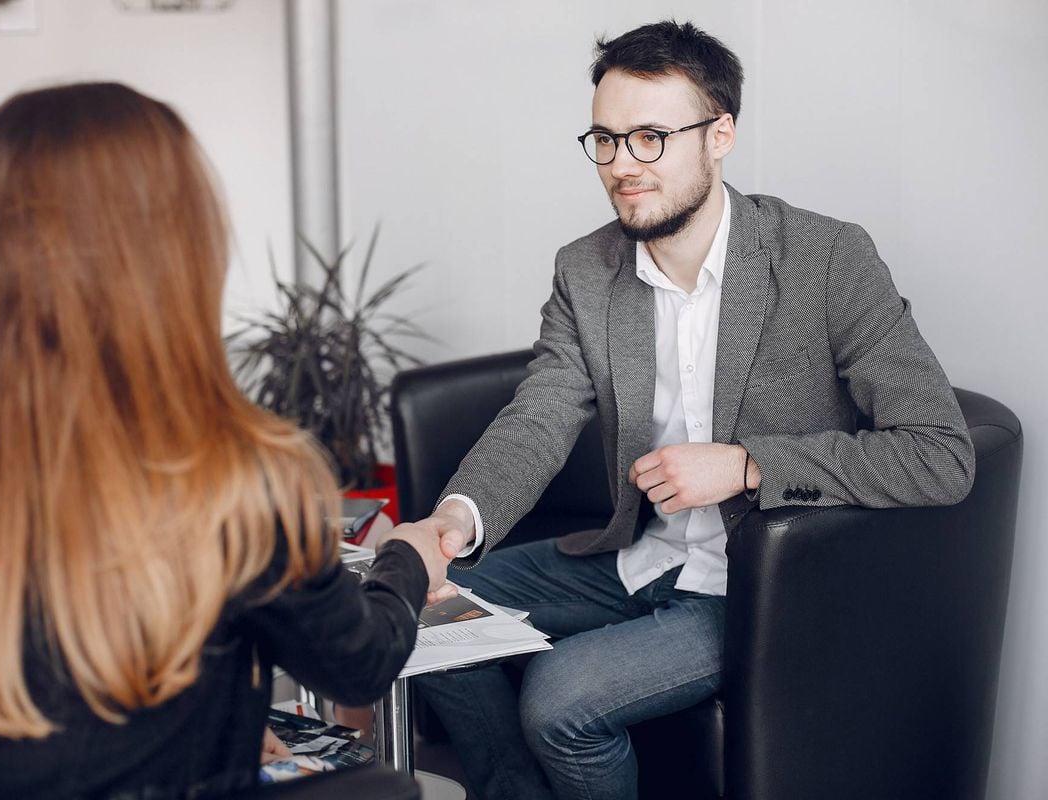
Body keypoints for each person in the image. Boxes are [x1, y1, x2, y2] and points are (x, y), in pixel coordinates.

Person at [411, 20, 976, 800]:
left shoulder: (827, 260)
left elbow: (941, 453)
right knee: (425, 617)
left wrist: (748, 464)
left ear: (721, 135)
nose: (622, 166)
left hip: (754, 581)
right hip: (633, 553)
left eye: (650, 138)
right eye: (605, 140)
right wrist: (453, 524)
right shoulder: (586, 269)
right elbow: (538, 415)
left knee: (561, 701)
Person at [0, 82, 455, 799]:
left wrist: (224, 711)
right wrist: (405, 561)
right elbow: (358, 667)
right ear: (178, 249)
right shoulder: (236, 472)